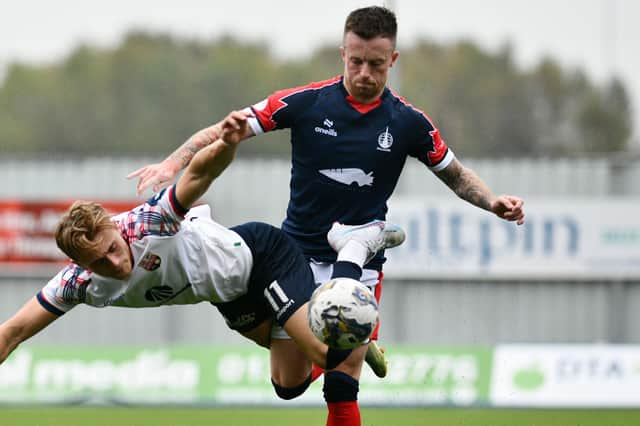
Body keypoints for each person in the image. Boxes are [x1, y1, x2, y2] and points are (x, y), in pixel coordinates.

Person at [128, 6, 525, 425]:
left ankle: (351, 329)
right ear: (343, 54)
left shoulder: (409, 122)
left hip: (362, 256)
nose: (365, 73)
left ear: (393, 60)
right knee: (288, 384)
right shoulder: (307, 102)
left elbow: (457, 176)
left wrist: (493, 202)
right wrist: (172, 164)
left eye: (376, 64)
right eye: (356, 61)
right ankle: (352, 341)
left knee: (340, 384)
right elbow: (227, 129)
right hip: (295, 256)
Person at [0, 113, 405, 425]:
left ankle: (353, 249)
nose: (114, 262)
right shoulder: (77, 283)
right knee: (289, 385)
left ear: (112, 226)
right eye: (98, 263)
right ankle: (342, 333)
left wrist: (227, 144)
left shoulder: (148, 223)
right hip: (228, 295)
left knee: (327, 355)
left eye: (111, 248)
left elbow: (199, 173)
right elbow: (13, 331)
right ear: (80, 265)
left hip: (261, 258)